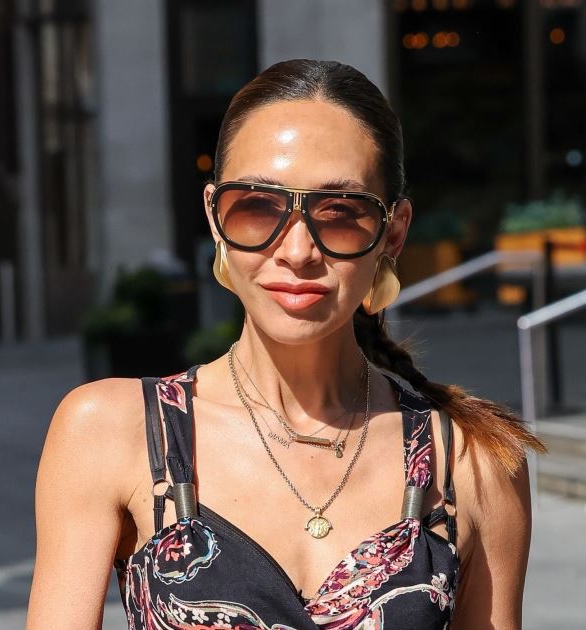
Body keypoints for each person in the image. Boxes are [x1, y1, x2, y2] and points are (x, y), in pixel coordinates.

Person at [27, 59, 545, 630]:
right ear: (215, 217)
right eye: (256, 207)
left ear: (393, 231)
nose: (297, 251)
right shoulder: (109, 431)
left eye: (340, 213)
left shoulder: (472, 461)